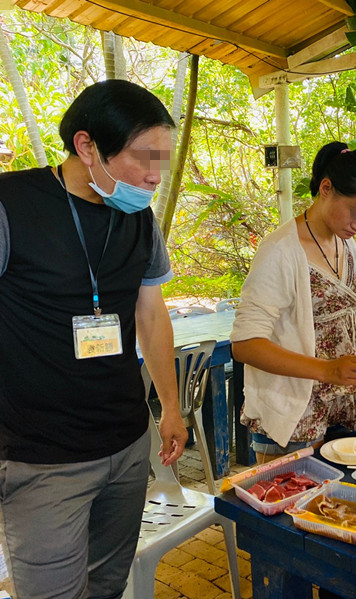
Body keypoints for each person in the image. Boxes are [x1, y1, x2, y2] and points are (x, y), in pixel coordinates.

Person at [0, 80, 187, 597]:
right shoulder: (11, 205)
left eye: (163, 161)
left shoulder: (139, 220)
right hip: (43, 459)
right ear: (87, 147)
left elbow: (152, 315)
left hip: (127, 446)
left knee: (107, 587)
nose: (154, 176)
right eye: (142, 159)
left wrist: (169, 406)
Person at [232, 142, 356, 463]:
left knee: (340, 505)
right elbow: (245, 345)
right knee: (292, 508)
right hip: (294, 414)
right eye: (355, 212)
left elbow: (344, 316)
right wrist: (326, 370)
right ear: (326, 188)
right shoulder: (280, 250)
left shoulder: (347, 245)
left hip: (344, 405)